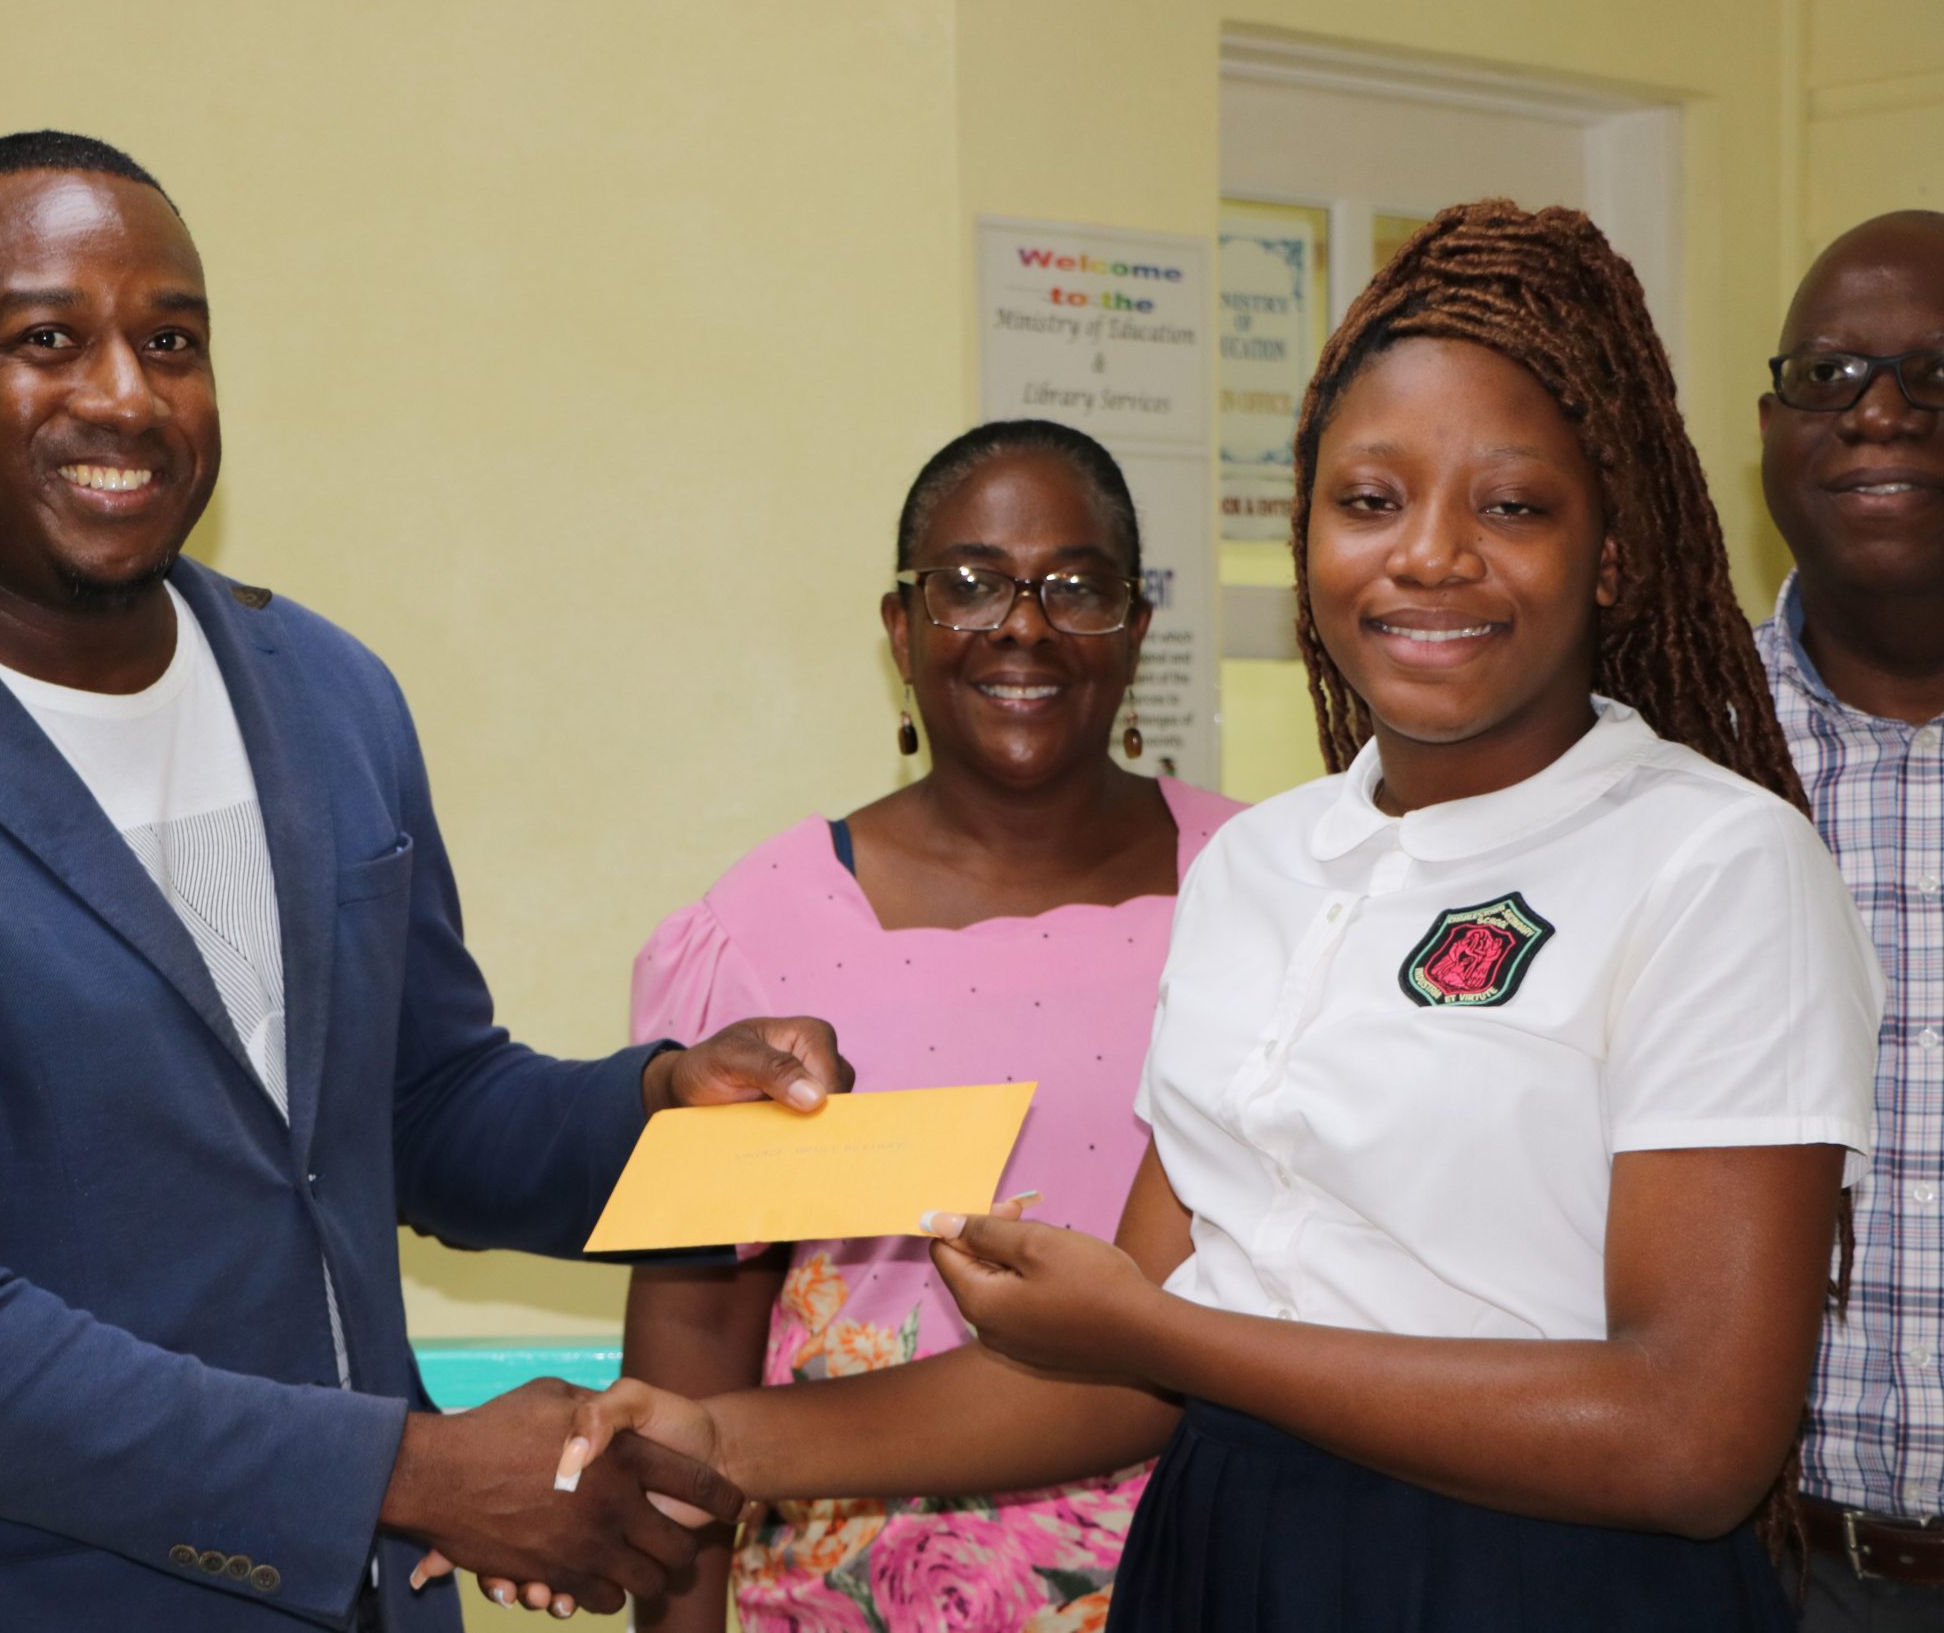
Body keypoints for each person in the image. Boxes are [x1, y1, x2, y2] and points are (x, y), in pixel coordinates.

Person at [549, 201, 1880, 1632]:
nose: (1428, 555)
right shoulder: (1264, 864)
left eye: (1512, 504)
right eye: (1369, 499)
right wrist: (722, 1441)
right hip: (1227, 1554)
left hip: (1540, 1580)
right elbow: (1121, 1365)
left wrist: (1166, 1331)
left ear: (1614, 554)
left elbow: (1691, 1439)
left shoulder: (1715, 862)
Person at [0, 130, 851, 1632]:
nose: (126, 395)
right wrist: (417, 1469)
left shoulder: (328, 693)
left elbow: (418, 1107)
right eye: (47, 339)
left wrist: (659, 1104)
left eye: (173, 341)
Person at [616, 420, 1242, 1633]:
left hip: (1209, 1575)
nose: (1022, 625)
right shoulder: (756, 935)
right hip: (849, 1595)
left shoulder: (1267, 888)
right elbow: (696, 1338)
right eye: (968, 585)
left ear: (1135, 630)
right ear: (900, 632)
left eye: (1077, 587)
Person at [1756, 209, 1944, 1630]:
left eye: (1939, 375)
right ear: (1769, 424)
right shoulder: (1660, 757)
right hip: (1765, 1575)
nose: (1879, 413)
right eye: (1830, 374)